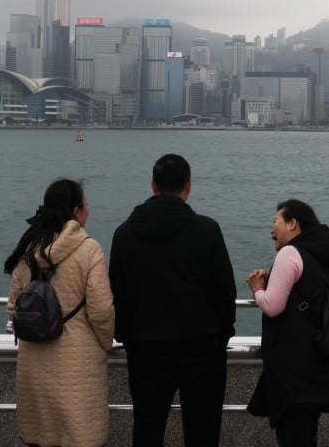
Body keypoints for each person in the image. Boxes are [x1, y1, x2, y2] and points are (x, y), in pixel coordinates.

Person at [109, 153, 237, 447]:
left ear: (153, 186)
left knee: (147, 430)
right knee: (203, 433)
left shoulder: (125, 235)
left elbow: (118, 295)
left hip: (146, 351)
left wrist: (127, 337)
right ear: (188, 186)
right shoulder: (207, 230)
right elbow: (225, 293)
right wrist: (221, 337)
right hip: (202, 351)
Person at [4, 178, 115, 447]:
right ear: (76, 212)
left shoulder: (28, 249)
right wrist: (104, 343)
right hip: (78, 359)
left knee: (41, 433)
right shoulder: (90, 250)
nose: (88, 210)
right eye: (86, 205)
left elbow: (12, 308)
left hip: (33, 359)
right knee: (78, 435)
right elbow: (101, 311)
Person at [245, 199, 329, 446]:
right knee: (308, 436)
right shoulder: (321, 254)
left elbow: (273, 307)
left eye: (276, 222)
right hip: (317, 365)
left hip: (292, 371)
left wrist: (257, 289)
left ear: (293, 223)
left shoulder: (290, 253)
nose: (271, 230)